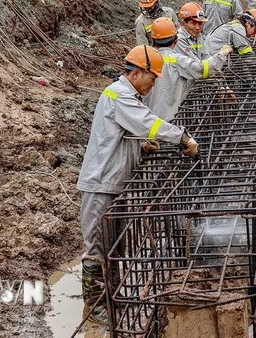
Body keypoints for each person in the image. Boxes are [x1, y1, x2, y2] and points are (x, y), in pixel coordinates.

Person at [76, 45, 198, 323]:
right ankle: (94, 309)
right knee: (97, 248)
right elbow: (148, 123)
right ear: (137, 73)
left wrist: (141, 147)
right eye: (152, 77)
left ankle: (112, 298)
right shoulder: (120, 95)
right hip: (100, 184)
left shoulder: (125, 95)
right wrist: (182, 137)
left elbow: (118, 136)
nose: (154, 83)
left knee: (114, 247)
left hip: (113, 183)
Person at [147, 18, 231, 120]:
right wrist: (221, 54)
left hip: (147, 118)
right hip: (167, 119)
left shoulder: (144, 58)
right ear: (175, 41)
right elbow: (202, 69)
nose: (198, 27)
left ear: (153, 40)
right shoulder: (177, 60)